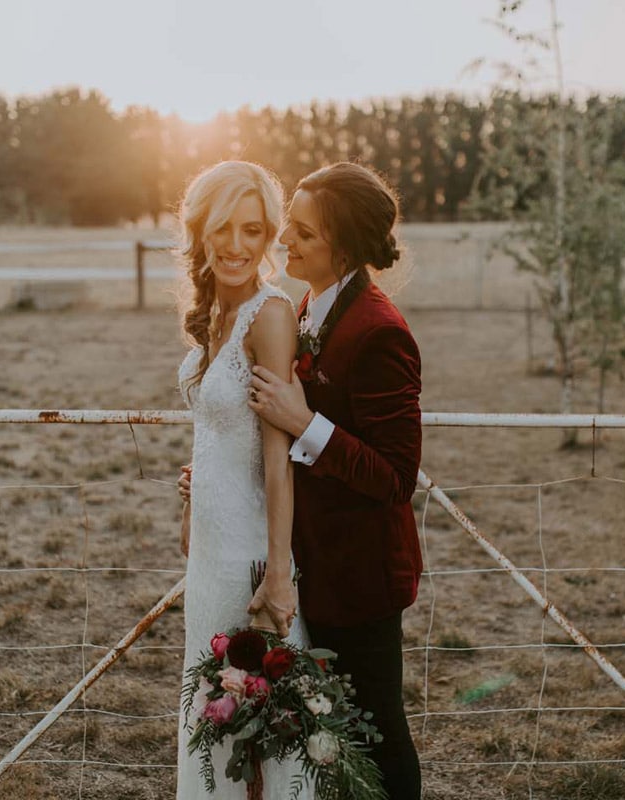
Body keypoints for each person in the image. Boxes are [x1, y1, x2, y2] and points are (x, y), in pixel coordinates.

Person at [247, 162, 424, 799]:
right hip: (313, 563)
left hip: (362, 574)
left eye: (303, 233)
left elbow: (397, 476)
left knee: (376, 733)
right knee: (333, 736)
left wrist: (305, 421)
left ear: (344, 248)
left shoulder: (380, 332)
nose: (284, 241)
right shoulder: (308, 306)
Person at [173, 160, 310, 798]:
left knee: (263, 740)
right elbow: (219, 431)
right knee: (212, 727)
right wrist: (195, 490)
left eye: (252, 230)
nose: (235, 245)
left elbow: (278, 455)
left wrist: (278, 574)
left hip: (249, 558)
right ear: (199, 232)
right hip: (206, 556)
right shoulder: (211, 318)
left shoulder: (270, 315)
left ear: (268, 238)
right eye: (222, 228)